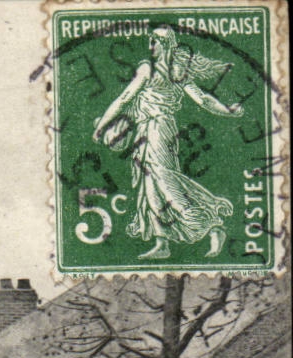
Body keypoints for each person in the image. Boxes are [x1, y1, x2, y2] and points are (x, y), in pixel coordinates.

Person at [93, 25, 244, 260]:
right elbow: (128, 100)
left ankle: (212, 225)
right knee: (149, 185)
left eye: (155, 42)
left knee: (165, 181)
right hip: (146, 130)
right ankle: (161, 242)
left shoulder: (158, 70)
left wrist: (103, 125)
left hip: (158, 129)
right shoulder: (159, 69)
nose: (150, 47)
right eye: (150, 42)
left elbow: (200, 98)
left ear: (165, 45)